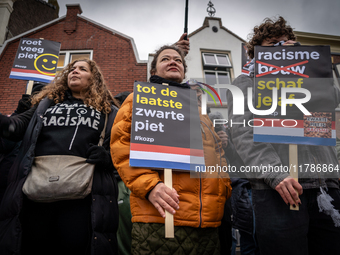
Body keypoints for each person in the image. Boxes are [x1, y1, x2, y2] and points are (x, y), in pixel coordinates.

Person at [227, 16, 340, 255]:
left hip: (325, 186)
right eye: (273, 46)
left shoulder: (310, 77)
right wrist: (275, 175)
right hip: (278, 189)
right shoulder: (245, 82)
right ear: (257, 54)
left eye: (286, 44)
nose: (281, 50)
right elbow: (244, 133)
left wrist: (312, 65)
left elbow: (334, 98)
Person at [110, 45, 232, 254]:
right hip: (162, 218)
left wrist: (223, 187)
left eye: (177, 59)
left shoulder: (198, 111)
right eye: (165, 59)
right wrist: (150, 187)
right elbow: (122, 147)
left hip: (209, 223)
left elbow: (217, 152)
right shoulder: (138, 99)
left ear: (184, 70)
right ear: (154, 71)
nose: (173, 61)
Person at [0, 59, 119, 255]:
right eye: (72, 69)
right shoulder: (44, 105)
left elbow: (121, 149)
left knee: (74, 246)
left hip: (82, 195)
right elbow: (15, 127)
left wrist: (108, 158)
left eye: (82, 69)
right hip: (36, 192)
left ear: (94, 78)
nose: (75, 71)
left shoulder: (108, 112)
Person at [0, 82, 47, 205]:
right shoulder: (16, 120)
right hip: (6, 182)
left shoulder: (48, 123)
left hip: (32, 185)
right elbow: (5, 143)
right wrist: (18, 113)